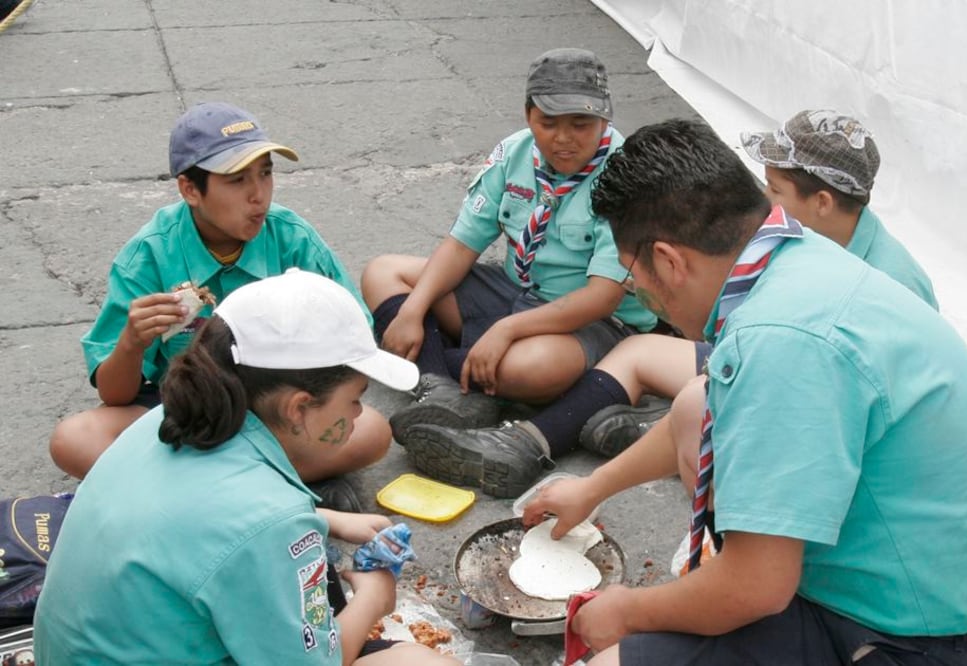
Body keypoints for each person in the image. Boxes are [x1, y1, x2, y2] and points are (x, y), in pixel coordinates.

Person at [524, 119, 967, 665]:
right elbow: (711, 408)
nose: (636, 289)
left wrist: (625, 611)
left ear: (669, 260)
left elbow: (757, 588)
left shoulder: (782, 342)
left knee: (611, 657)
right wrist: (591, 489)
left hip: (911, 639)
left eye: (631, 274)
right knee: (695, 402)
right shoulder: (789, 253)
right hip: (929, 581)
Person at [406, 110, 939, 492]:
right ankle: (547, 431)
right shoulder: (802, 253)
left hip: (849, 443)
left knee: (688, 394)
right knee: (673, 383)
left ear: (822, 202)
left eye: (774, 189)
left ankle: (548, 431)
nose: (760, 202)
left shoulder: (872, 287)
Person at [34, 270, 458, 666]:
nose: (357, 414)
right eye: (353, 399)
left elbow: (205, 521)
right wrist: (373, 599)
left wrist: (327, 519)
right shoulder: (269, 518)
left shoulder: (165, 420)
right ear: (298, 408)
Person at [48, 102, 390, 511]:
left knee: (372, 432)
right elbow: (115, 395)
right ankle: (272, 486)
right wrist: (131, 343)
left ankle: (198, 497)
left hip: (273, 409)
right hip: (184, 412)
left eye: (265, 174)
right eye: (236, 180)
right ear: (190, 189)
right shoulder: (148, 256)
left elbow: (357, 342)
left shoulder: (292, 239)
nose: (257, 195)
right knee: (73, 439)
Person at [361, 48, 656, 498]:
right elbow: (462, 245)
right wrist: (413, 309)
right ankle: (440, 385)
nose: (564, 139)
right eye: (547, 122)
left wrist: (506, 330)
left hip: (590, 319)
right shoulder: (512, 153)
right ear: (527, 115)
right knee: (384, 273)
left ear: (605, 121)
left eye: (581, 124)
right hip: (514, 288)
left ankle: (476, 380)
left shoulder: (626, 174)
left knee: (528, 367)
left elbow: (603, 296)